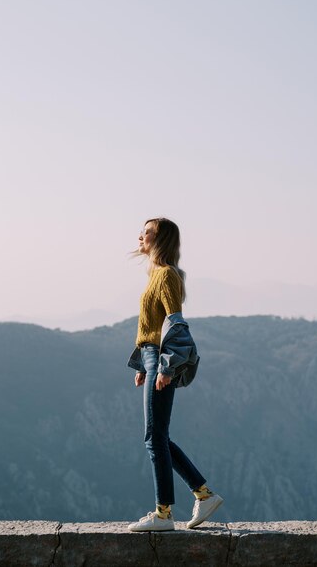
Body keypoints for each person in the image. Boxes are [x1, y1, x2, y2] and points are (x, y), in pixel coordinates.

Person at [127, 217, 223, 532]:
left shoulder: (166, 275)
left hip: (161, 360)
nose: (141, 234)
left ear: (162, 239)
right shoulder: (156, 275)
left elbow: (178, 325)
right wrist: (144, 364)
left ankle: (164, 515)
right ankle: (203, 495)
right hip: (152, 358)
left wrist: (165, 367)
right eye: (141, 230)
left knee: (154, 438)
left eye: (148, 231)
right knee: (159, 437)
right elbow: (153, 326)